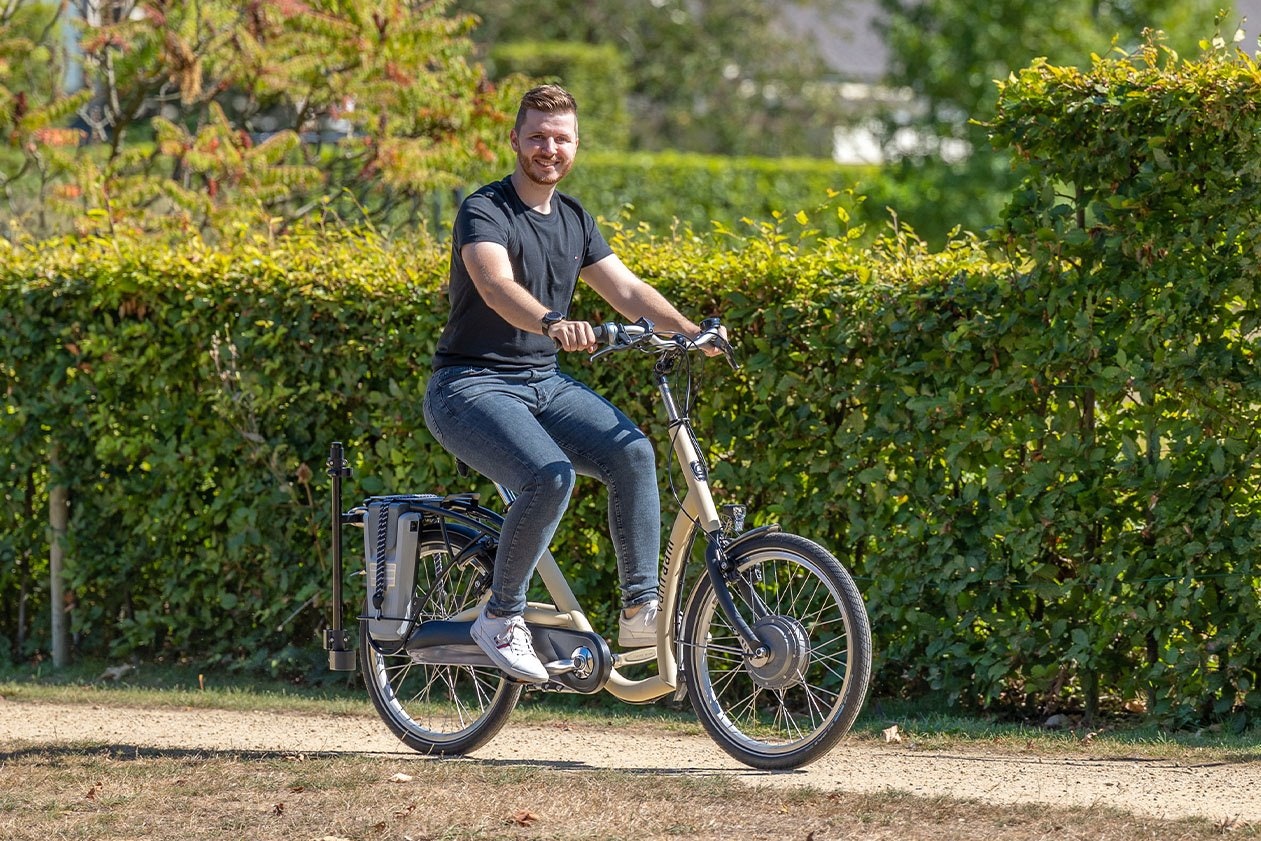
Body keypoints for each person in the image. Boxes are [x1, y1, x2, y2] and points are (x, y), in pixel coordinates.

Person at [423, 84, 719, 683]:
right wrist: (552, 321)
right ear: (515, 141)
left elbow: (629, 293)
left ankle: (640, 609)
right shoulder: (485, 210)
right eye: (536, 136)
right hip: (469, 386)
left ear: (576, 145)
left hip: (543, 384)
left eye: (560, 138)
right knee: (548, 476)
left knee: (633, 451)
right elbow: (493, 283)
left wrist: (692, 332)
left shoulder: (576, 219)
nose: (547, 148)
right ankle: (500, 617)